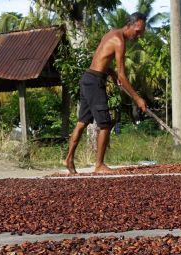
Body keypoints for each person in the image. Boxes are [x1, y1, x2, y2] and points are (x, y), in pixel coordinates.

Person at [64, 13, 149, 175]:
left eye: (142, 32)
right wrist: (137, 98)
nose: (139, 35)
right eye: (138, 31)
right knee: (105, 123)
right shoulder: (120, 41)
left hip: (88, 78)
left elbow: (101, 59)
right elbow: (123, 76)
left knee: (82, 122)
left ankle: (68, 159)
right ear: (129, 25)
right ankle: (99, 165)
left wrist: (111, 74)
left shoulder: (111, 33)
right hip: (94, 82)